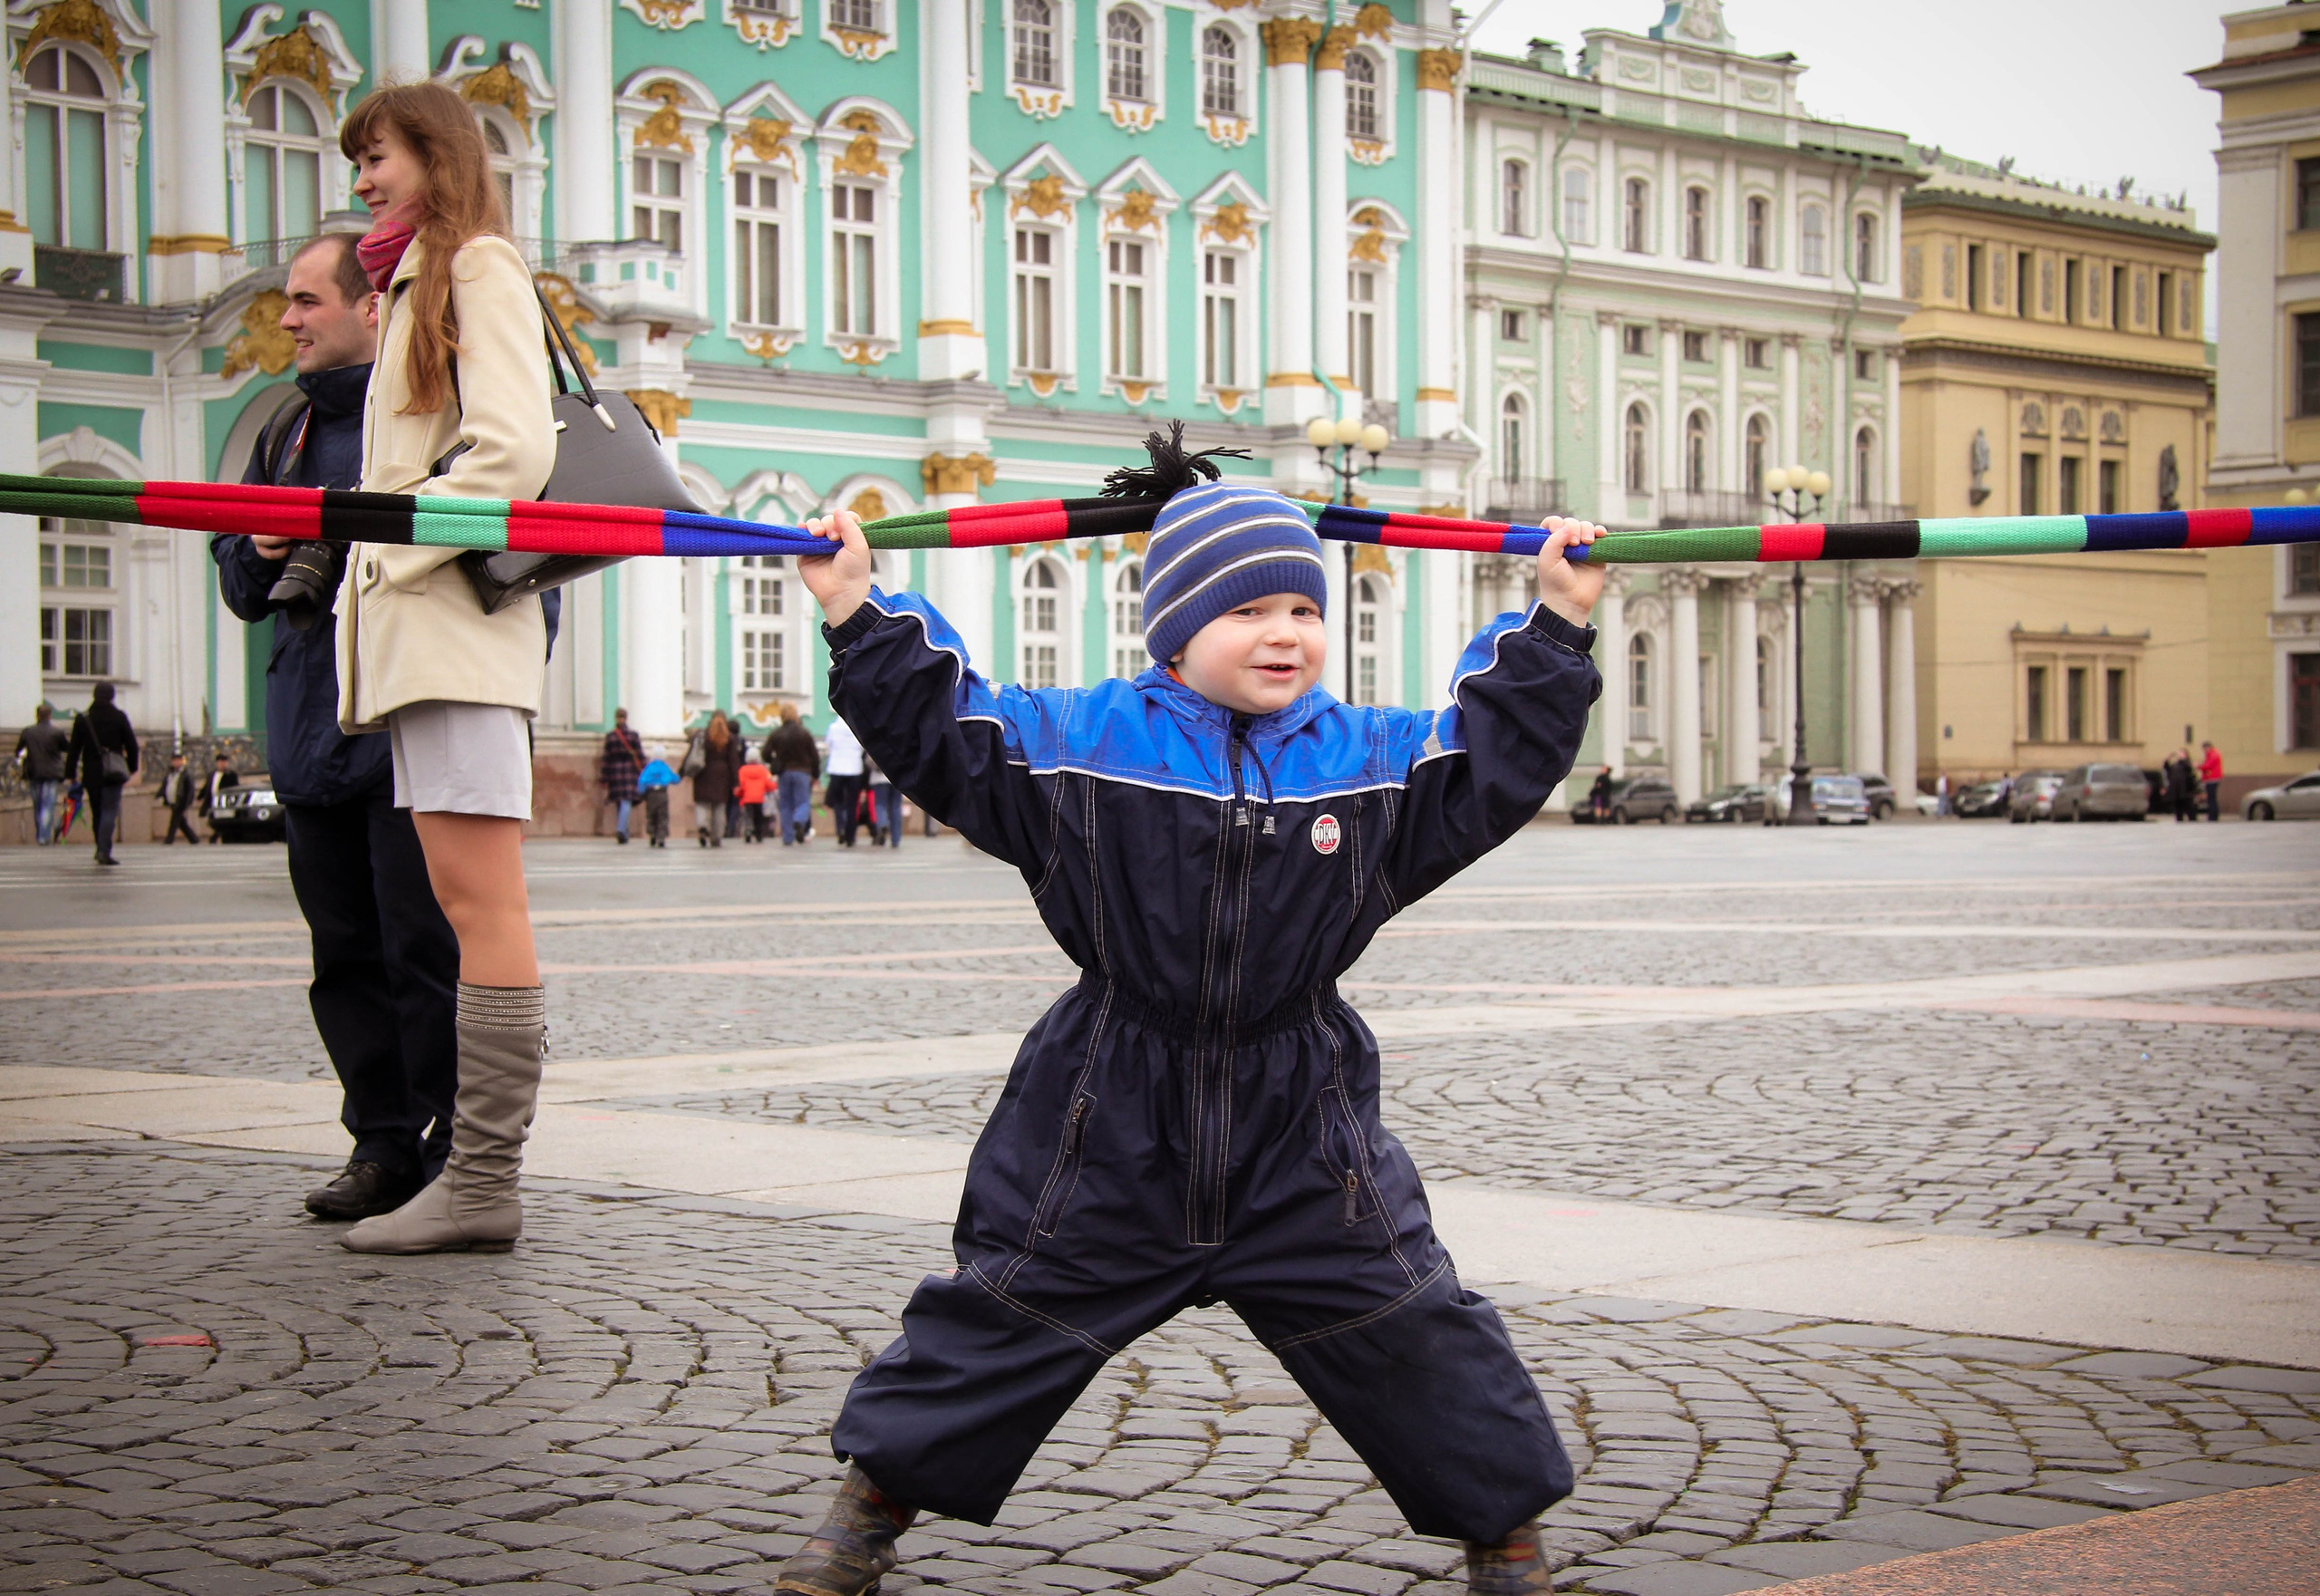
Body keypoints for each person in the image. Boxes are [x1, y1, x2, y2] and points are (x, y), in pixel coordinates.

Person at [776, 443, 1606, 1596]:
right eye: (1248, 610)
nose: (1284, 633)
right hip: (1105, 1115)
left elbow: (1491, 762)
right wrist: (857, 610)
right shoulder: (1081, 743)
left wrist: (1556, 628)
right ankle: (867, 1512)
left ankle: (1504, 1538)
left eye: (1303, 609)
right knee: (999, 1314)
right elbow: (943, 729)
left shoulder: (1365, 761)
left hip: (1302, 1128)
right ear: (1172, 630)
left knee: (1415, 1324)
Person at [327, 82, 559, 1257]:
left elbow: (515, 450)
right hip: (427, 643)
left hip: (458, 633)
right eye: (359, 159)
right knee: (461, 906)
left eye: (380, 156)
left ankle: (484, 1178)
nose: (364, 177)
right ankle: (474, 1175)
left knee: (481, 907)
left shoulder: (477, 268)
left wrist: (388, 546)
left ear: (437, 153)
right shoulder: (414, 278)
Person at [213, 228, 464, 1225]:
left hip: (405, 725)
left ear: (371, 310)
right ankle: (381, 1143)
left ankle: (456, 1144)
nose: (286, 320)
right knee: (343, 954)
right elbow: (240, 584)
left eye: (306, 301)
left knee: (423, 949)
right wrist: (265, 540)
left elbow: (509, 570)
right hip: (311, 727)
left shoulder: (434, 424)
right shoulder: (284, 437)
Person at [66, 683, 137, 866]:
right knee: (109, 811)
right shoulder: (119, 717)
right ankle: (104, 850)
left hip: (92, 773)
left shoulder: (84, 718)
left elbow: (74, 748)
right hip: (113, 771)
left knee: (97, 812)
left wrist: (71, 772)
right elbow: (132, 744)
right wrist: (131, 767)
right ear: (112, 696)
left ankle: (100, 846)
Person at [766, 701, 821, 845]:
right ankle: (799, 820)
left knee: (785, 805)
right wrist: (816, 774)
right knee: (803, 802)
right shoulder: (804, 733)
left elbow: (765, 752)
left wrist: (774, 762)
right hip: (802, 772)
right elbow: (814, 755)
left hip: (784, 772)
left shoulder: (776, 733)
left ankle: (788, 837)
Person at [14, 703, 67, 844]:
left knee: (38, 804)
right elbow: (66, 748)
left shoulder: (28, 732)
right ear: (50, 716)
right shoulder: (57, 732)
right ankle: (44, 836)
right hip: (52, 772)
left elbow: (18, 750)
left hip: (34, 772)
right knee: (48, 804)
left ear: (37, 715)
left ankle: (40, 833)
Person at [692, 712, 741, 848]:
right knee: (719, 807)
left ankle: (702, 825)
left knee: (702, 804)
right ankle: (716, 836)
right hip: (722, 776)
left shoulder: (702, 736)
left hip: (703, 774)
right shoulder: (729, 739)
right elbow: (733, 761)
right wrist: (736, 782)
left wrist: (682, 772)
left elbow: (692, 754)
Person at [600, 708, 645, 844]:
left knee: (621, 802)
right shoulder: (633, 735)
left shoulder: (611, 736)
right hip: (629, 772)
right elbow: (640, 755)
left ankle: (624, 831)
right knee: (626, 801)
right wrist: (644, 769)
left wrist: (604, 777)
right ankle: (621, 829)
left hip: (615, 773)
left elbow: (606, 759)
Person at [826, 716, 866, 846]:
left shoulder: (833, 727)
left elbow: (828, 746)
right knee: (852, 804)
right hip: (854, 768)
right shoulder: (857, 726)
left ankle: (840, 828)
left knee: (838, 801)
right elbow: (862, 747)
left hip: (836, 768)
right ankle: (851, 834)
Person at [638, 748, 678, 847]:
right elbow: (675, 779)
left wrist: (641, 792)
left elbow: (642, 780)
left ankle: (652, 834)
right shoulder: (665, 767)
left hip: (651, 794)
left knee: (651, 815)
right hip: (662, 793)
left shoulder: (649, 767)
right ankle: (661, 837)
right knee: (662, 816)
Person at [157, 753, 199, 845]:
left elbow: (190, 790)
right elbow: (165, 785)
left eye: (178, 760)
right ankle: (194, 839)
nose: (176, 763)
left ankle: (169, 840)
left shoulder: (186, 775)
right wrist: (160, 794)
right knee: (181, 823)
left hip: (181, 802)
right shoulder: (170, 773)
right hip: (172, 801)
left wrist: (187, 802)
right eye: (174, 760)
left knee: (174, 821)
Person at [202, 751, 241, 841]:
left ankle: (215, 837)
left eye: (224, 762)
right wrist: (201, 797)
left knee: (223, 820)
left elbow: (236, 788)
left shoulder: (231, 775)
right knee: (214, 819)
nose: (222, 764)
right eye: (220, 762)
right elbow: (206, 787)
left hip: (224, 802)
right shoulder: (212, 775)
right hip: (212, 801)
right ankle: (217, 836)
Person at [737, 750, 774, 843]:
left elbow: (741, 785)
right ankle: (758, 834)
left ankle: (748, 831)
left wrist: (738, 794)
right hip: (759, 798)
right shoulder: (763, 769)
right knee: (758, 817)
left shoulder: (742, 770)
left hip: (747, 798)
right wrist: (774, 786)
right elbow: (767, 783)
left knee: (748, 816)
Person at [867, 750, 901, 848]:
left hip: (879, 778)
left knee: (880, 804)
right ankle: (896, 839)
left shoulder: (876, 738)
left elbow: (868, 760)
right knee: (895, 807)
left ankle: (882, 824)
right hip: (896, 778)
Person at [2199, 740, 2223, 823]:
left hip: (2212, 779)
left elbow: (2208, 766)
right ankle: (2212, 816)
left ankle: (2213, 816)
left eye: (2204, 749)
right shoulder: (2212, 754)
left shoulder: (2213, 755)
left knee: (2211, 799)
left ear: (2208, 747)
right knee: (2211, 798)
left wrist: (2198, 766)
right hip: (2211, 779)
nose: (2204, 751)